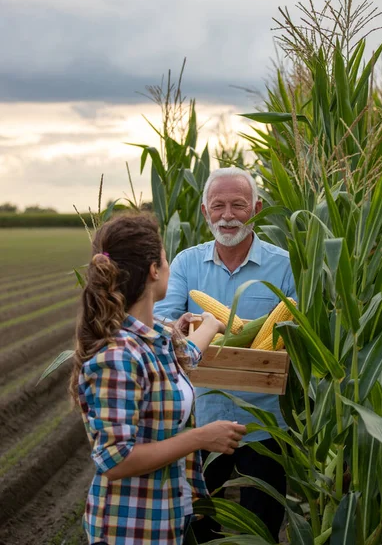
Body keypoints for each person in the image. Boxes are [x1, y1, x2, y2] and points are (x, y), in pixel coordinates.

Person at [69, 211, 247, 545]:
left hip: (164, 516)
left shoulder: (153, 338)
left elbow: (180, 363)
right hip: (130, 526)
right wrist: (200, 438)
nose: (168, 267)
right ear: (154, 271)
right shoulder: (119, 356)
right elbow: (115, 459)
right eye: (165, 260)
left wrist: (210, 324)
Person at [154, 168, 297, 542]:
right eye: (218, 206)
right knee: (196, 529)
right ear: (204, 211)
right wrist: (179, 324)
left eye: (238, 205)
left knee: (263, 528)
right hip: (201, 420)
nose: (227, 215)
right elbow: (162, 319)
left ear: (258, 208)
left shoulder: (285, 264)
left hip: (265, 425)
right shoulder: (186, 263)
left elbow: (302, 327)